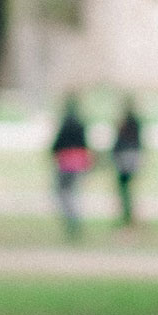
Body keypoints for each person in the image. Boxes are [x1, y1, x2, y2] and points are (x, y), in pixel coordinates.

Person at [50, 95, 92, 242]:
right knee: (73, 192)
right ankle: (74, 217)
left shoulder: (65, 124)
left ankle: (71, 218)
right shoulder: (81, 124)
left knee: (63, 192)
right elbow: (85, 144)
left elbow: (57, 144)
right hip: (79, 162)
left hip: (66, 162)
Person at [111, 97, 144, 227]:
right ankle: (127, 214)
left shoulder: (124, 123)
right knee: (126, 187)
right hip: (133, 155)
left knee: (124, 187)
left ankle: (127, 215)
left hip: (125, 155)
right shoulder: (135, 122)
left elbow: (119, 141)